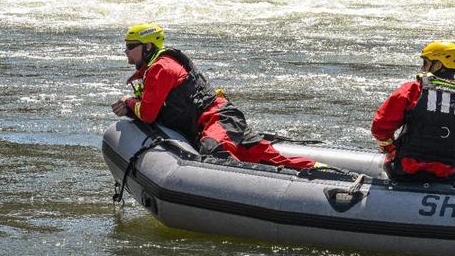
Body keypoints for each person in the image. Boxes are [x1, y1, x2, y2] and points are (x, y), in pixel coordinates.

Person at [111, 23, 317, 171]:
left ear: (147, 47)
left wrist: (129, 103)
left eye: (131, 46)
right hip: (213, 123)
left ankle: (325, 173)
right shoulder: (152, 70)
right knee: (266, 158)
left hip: (218, 118)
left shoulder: (162, 68)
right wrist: (131, 108)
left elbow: (147, 113)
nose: (126, 51)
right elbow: (152, 109)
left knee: (217, 154)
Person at [372, 41, 455, 186]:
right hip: (451, 175)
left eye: (425, 63)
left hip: (403, 170)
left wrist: (390, 148)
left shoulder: (412, 90)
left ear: (438, 65)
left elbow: (380, 127)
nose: (422, 67)